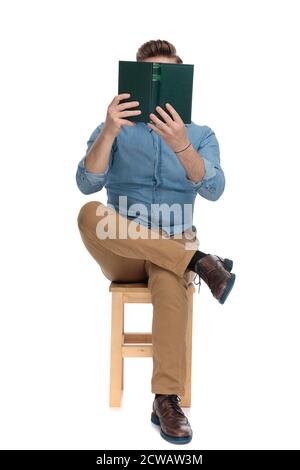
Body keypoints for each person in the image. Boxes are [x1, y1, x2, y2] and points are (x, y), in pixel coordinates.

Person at [76, 39, 236, 445]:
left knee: (169, 277)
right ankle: (200, 261)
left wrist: (181, 144)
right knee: (89, 214)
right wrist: (111, 129)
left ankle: (165, 399)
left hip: (171, 247)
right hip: (121, 248)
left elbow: (215, 188)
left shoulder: (200, 134)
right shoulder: (114, 129)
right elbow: (86, 182)